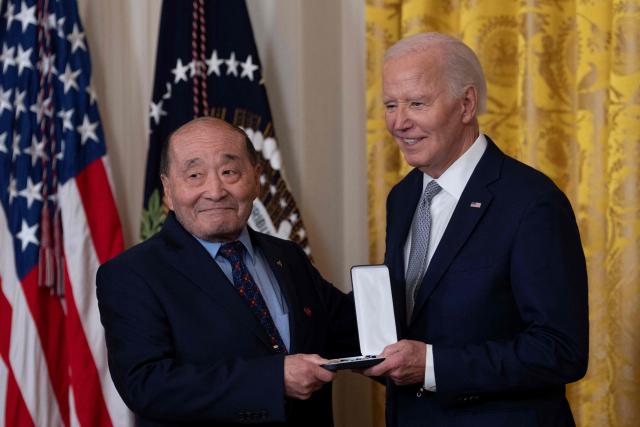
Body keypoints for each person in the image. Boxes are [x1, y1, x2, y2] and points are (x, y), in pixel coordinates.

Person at [362, 32, 588, 426]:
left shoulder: (531, 201)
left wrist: (433, 366)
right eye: (390, 105)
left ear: (466, 104)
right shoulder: (402, 196)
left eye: (417, 103)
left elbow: (560, 349)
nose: (399, 122)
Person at [96, 117, 357, 426]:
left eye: (229, 172)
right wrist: (274, 380)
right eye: (194, 175)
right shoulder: (131, 274)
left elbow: (353, 332)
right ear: (168, 190)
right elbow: (147, 385)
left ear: (257, 178)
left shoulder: (288, 257)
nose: (215, 190)